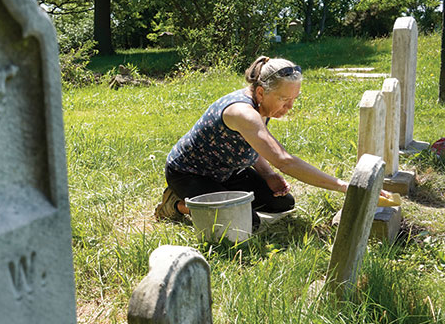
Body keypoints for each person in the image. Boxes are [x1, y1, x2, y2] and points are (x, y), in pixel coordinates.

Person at [155, 55, 391, 228]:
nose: (289, 107)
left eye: (294, 99)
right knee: (246, 224)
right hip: (189, 174)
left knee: (282, 203)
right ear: (260, 92)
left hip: (226, 172)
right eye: (284, 99)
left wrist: (267, 174)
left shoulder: (263, 104)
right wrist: (343, 186)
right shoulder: (242, 112)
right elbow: (285, 162)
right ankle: (176, 205)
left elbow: (251, 145)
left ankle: (221, 198)